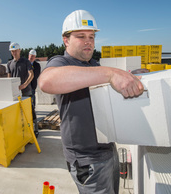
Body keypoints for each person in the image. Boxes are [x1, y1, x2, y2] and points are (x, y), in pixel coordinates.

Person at [39, 10, 144, 194]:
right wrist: (110, 73)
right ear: (66, 40)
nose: (89, 41)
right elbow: (46, 81)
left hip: (107, 150)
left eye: (92, 36)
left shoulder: (93, 66)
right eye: (81, 36)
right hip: (87, 159)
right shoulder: (61, 62)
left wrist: (130, 76)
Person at [6, 42, 38, 137]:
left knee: (30, 111)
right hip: (15, 93)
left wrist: (25, 84)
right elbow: (9, 79)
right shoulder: (9, 64)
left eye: (15, 51)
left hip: (26, 91)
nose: (14, 53)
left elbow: (31, 74)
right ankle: (23, 131)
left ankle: (35, 130)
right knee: (18, 113)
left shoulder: (25, 62)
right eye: (12, 51)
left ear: (19, 50)